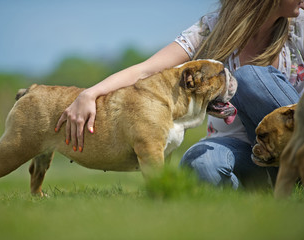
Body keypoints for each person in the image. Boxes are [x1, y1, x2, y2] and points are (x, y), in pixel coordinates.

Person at [56, 0, 304, 189]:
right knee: (198, 163)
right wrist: (90, 94)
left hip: (294, 141)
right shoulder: (214, 27)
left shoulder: (300, 27)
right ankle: (265, 188)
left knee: (249, 78)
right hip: (241, 149)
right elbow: (146, 70)